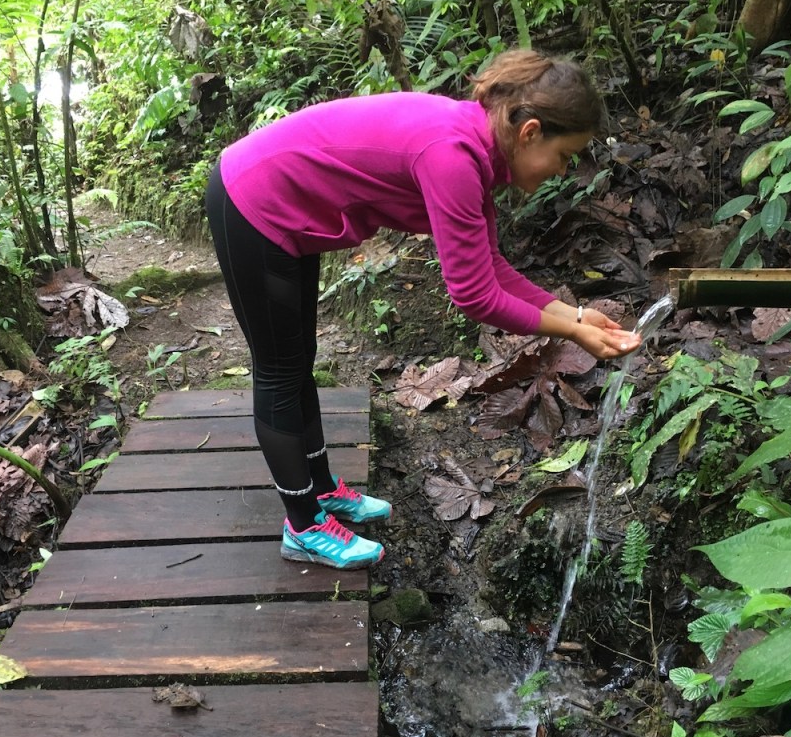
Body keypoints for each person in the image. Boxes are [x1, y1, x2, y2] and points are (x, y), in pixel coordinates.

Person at [205, 49, 642, 571]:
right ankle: (302, 524)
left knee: (298, 359)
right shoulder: (453, 157)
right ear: (529, 132)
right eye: (565, 155)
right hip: (254, 199)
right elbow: (474, 294)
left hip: (282, 203)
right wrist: (571, 333)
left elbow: (490, 265)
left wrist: (572, 317)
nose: (564, 170)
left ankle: (321, 491)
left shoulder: (476, 148)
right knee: (279, 370)